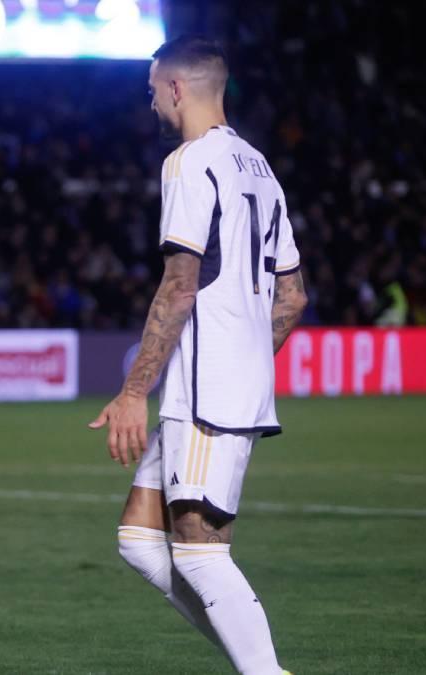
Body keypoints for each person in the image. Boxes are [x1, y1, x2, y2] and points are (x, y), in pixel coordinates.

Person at [89, 36, 306, 675]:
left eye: (153, 88)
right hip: (217, 382)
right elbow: (292, 298)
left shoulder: (189, 162)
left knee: (201, 552)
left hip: (209, 387)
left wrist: (132, 391)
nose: (150, 100)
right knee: (138, 540)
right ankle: (255, 663)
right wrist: (248, 357)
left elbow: (180, 285)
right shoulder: (260, 167)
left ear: (177, 89)